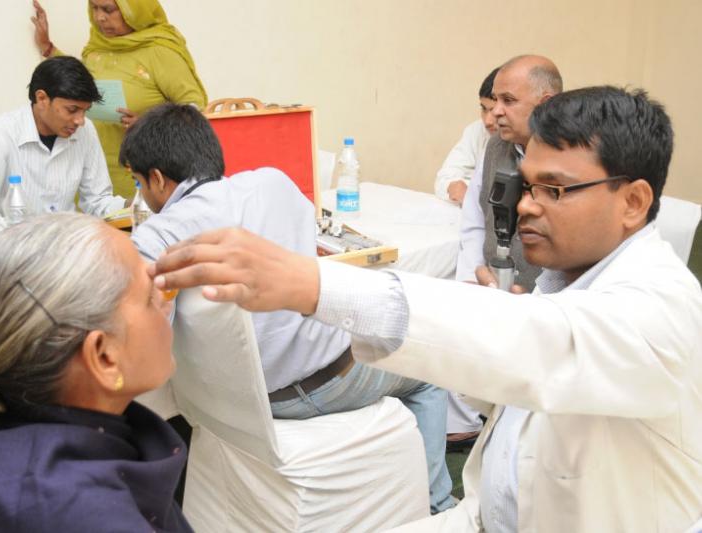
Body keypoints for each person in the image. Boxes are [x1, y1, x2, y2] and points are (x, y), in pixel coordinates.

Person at [148, 87, 702, 532]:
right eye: (526, 186)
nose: (527, 206)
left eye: (554, 191)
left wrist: (313, 283)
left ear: (632, 202)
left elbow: (542, 345)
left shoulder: (663, 308)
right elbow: (502, 488)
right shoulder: (563, 288)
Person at [123, 103, 455, 514]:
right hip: (327, 381)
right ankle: (440, 505)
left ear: (157, 179)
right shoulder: (274, 183)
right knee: (429, 372)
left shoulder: (161, 232)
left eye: (139, 184)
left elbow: (136, 300)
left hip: (236, 404)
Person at [0, 213, 192, 531]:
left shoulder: (1, 430)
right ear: (103, 357)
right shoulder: (90, 519)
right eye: (149, 298)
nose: (166, 304)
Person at [31, 0, 208, 198]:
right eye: (94, 8)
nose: (99, 17)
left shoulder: (160, 50)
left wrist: (149, 124)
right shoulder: (98, 45)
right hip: (94, 168)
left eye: (108, 9)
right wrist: (48, 48)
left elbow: (195, 108)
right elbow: (81, 82)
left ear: (134, 10)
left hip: (145, 173)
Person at [0, 56, 125, 245]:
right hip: (11, 254)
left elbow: (97, 202)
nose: (80, 120)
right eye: (72, 110)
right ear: (42, 99)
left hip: (64, 250)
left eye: (85, 111)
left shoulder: (85, 131)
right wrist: (22, 242)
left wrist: (136, 205)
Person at [456, 55, 562, 291]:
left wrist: (538, 300)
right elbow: (474, 219)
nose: (495, 112)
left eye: (508, 100)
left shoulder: (572, 160)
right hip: (490, 291)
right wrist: (470, 280)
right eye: (495, 100)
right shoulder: (494, 147)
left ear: (546, 105)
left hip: (543, 304)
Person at [434, 67, 498, 205]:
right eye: (484, 109)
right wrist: (459, 189)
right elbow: (444, 178)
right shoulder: (476, 130)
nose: (487, 121)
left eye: (494, 111)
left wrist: (472, 192)